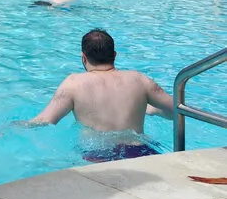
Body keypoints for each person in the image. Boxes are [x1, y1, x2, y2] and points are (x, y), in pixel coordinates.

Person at [23, 29, 173, 161]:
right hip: (141, 152)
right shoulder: (139, 79)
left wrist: (18, 125)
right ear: (114, 55)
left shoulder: (73, 83)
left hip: (97, 156)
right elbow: (177, 110)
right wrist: (155, 110)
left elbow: (46, 120)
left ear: (83, 57)